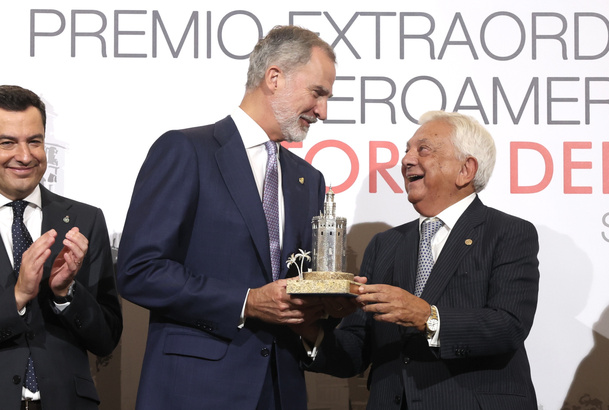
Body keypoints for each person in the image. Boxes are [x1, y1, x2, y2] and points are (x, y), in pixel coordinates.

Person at [117, 25, 337, 409]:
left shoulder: (309, 181)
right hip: (195, 390)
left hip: (281, 390)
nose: (323, 111)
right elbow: (139, 270)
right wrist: (246, 301)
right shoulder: (186, 150)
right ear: (274, 77)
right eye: (317, 93)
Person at [303, 111, 540, 409]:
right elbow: (355, 351)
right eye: (407, 150)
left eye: (423, 149)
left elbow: (509, 325)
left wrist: (426, 316)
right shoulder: (385, 245)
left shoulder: (508, 233)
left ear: (465, 169)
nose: (406, 160)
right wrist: (306, 330)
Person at [0, 85, 123, 410]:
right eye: (7, 143)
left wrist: (67, 293)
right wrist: (17, 296)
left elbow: (107, 338)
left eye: (34, 141)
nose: (25, 156)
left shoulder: (85, 220)